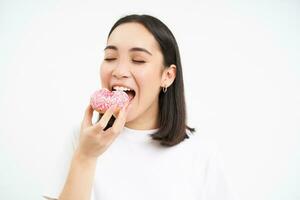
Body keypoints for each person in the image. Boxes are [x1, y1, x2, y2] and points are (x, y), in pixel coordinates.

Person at [43, 14, 238, 200]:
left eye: (138, 60)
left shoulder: (201, 152)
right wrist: (85, 156)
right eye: (110, 58)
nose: (119, 71)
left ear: (167, 76)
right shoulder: (82, 139)